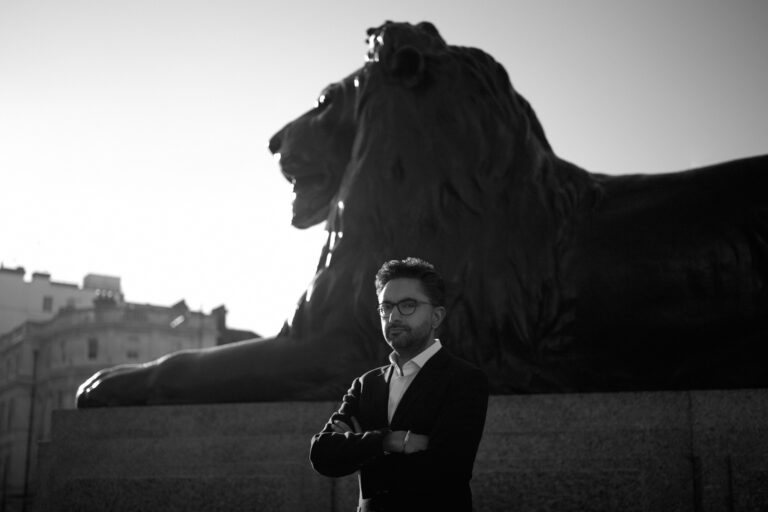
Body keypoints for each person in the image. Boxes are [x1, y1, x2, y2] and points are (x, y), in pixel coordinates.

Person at [310, 257, 489, 512]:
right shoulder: (366, 384)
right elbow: (322, 454)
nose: (393, 316)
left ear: (436, 316)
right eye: (386, 307)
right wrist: (389, 441)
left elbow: (447, 471)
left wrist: (358, 448)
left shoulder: (464, 379)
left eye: (408, 305)